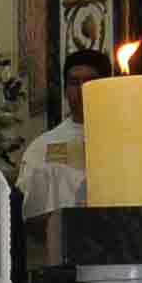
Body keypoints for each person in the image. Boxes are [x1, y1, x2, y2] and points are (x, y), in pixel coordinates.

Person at [14, 47, 115, 217]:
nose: (82, 90)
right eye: (74, 83)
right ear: (65, 90)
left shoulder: (125, 140)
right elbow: (27, 204)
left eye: (90, 82)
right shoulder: (43, 146)